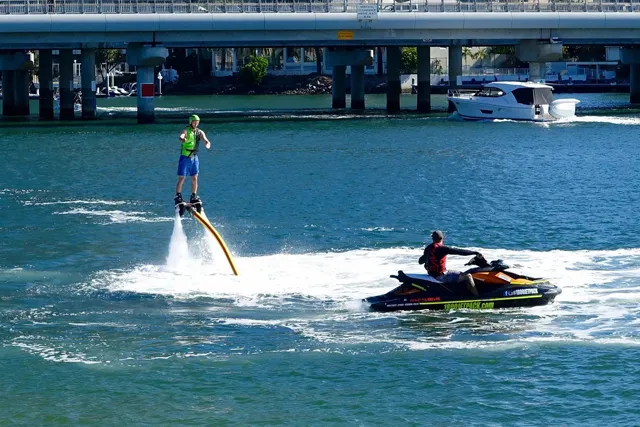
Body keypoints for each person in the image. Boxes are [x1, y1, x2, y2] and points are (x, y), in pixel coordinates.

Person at [418, 230, 482, 297]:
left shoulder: (428, 248)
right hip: (441, 276)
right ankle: (477, 297)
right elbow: (459, 251)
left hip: (432, 275)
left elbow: (420, 261)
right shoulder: (441, 248)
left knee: (456, 273)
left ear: (432, 238)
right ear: (442, 238)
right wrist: (474, 252)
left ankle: (464, 293)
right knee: (468, 276)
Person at [174, 114, 211, 214]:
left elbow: (206, 139)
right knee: (182, 178)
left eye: (197, 122)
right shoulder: (186, 130)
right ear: (190, 122)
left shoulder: (199, 132)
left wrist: (207, 143)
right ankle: (178, 196)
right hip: (185, 157)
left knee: (194, 178)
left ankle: (193, 196)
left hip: (194, 158)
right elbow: (181, 136)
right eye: (194, 122)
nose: (196, 123)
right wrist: (182, 139)